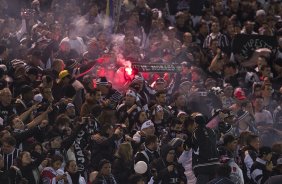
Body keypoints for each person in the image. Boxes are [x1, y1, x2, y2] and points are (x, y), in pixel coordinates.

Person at [191, 113, 220, 184]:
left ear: (196, 123)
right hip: (215, 164)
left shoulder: (196, 132)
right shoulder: (211, 131)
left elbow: (194, 148)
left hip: (202, 165)